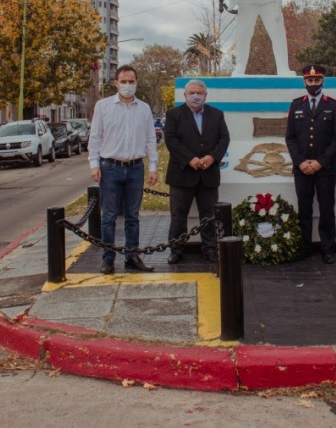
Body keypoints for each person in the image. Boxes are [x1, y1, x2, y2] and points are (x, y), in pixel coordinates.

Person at [88, 65, 158, 274]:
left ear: (136, 82)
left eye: (131, 81)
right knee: (109, 216)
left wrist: (153, 166)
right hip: (109, 167)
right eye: (124, 81)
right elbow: (95, 137)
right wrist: (94, 164)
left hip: (135, 168)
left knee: (133, 216)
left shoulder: (144, 108)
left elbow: (150, 139)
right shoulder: (103, 106)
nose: (128, 85)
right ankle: (108, 258)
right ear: (116, 83)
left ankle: (132, 256)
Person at [163, 79, 230, 264]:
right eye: (191, 92)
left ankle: (210, 249)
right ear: (184, 95)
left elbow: (224, 139)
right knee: (178, 216)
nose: (195, 96)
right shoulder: (173, 114)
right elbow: (170, 140)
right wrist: (189, 158)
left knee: (208, 216)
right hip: (182, 174)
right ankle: (176, 249)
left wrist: (212, 157)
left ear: (205, 95)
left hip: (208, 174)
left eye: (199, 93)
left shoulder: (216, 114)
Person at [285, 65, 336, 264]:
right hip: (301, 169)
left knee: (327, 209)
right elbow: (290, 138)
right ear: (304, 82)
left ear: (323, 81)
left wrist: (320, 162)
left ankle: (328, 248)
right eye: (309, 81)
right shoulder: (296, 105)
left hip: (325, 169)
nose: (313, 84)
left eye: (317, 80)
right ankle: (304, 247)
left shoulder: (334, 106)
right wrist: (301, 162)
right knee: (304, 209)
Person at [228, 0, 299, 76]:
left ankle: (283, 68)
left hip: (270, 0)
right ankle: (239, 68)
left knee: (278, 34)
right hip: (247, 0)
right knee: (243, 34)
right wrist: (232, 0)